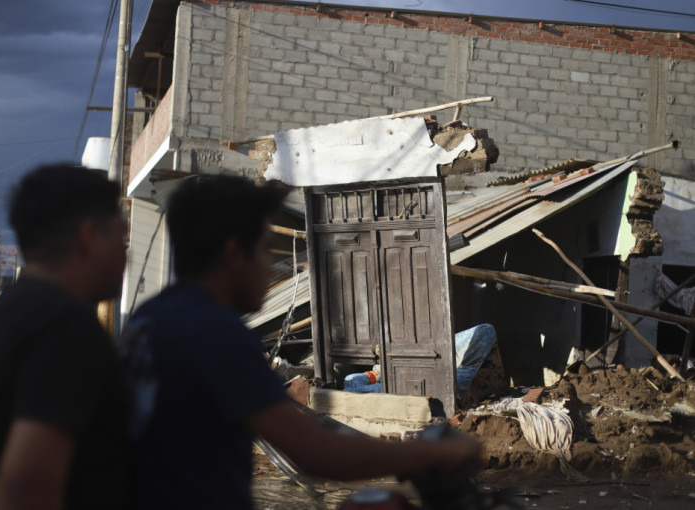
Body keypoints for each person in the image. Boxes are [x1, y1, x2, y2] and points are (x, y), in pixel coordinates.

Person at [121, 174, 481, 510]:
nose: (272, 267)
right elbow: (315, 454)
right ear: (233, 253)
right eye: (265, 250)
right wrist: (433, 453)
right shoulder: (213, 331)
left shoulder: (149, 319)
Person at [0, 164, 130, 510]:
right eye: (121, 235)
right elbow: (25, 489)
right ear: (89, 236)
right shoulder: (63, 330)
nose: (126, 252)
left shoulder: (12, 313)